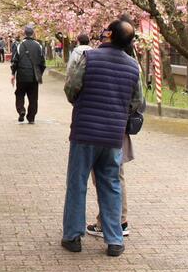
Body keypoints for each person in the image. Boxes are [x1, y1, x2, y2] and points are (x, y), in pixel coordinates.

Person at [61, 20, 144, 258]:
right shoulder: (132, 67)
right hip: (113, 136)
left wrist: (82, 102)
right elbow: (137, 102)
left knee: (77, 184)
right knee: (111, 185)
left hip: (84, 133)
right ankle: (115, 240)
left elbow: (71, 88)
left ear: (108, 35)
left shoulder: (89, 58)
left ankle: (73, 237)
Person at [10, 25, 45, 123]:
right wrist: (39, 73)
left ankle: (21, 110)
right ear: (33, 33)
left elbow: (15, 61)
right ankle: (31, 117)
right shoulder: (39, 45)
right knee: (33, 97)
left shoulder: (20, 45)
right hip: (34, 76)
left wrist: (13, 73)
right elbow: (43, 62)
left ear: (24, 34)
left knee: (19, 94)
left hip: (22, 74)